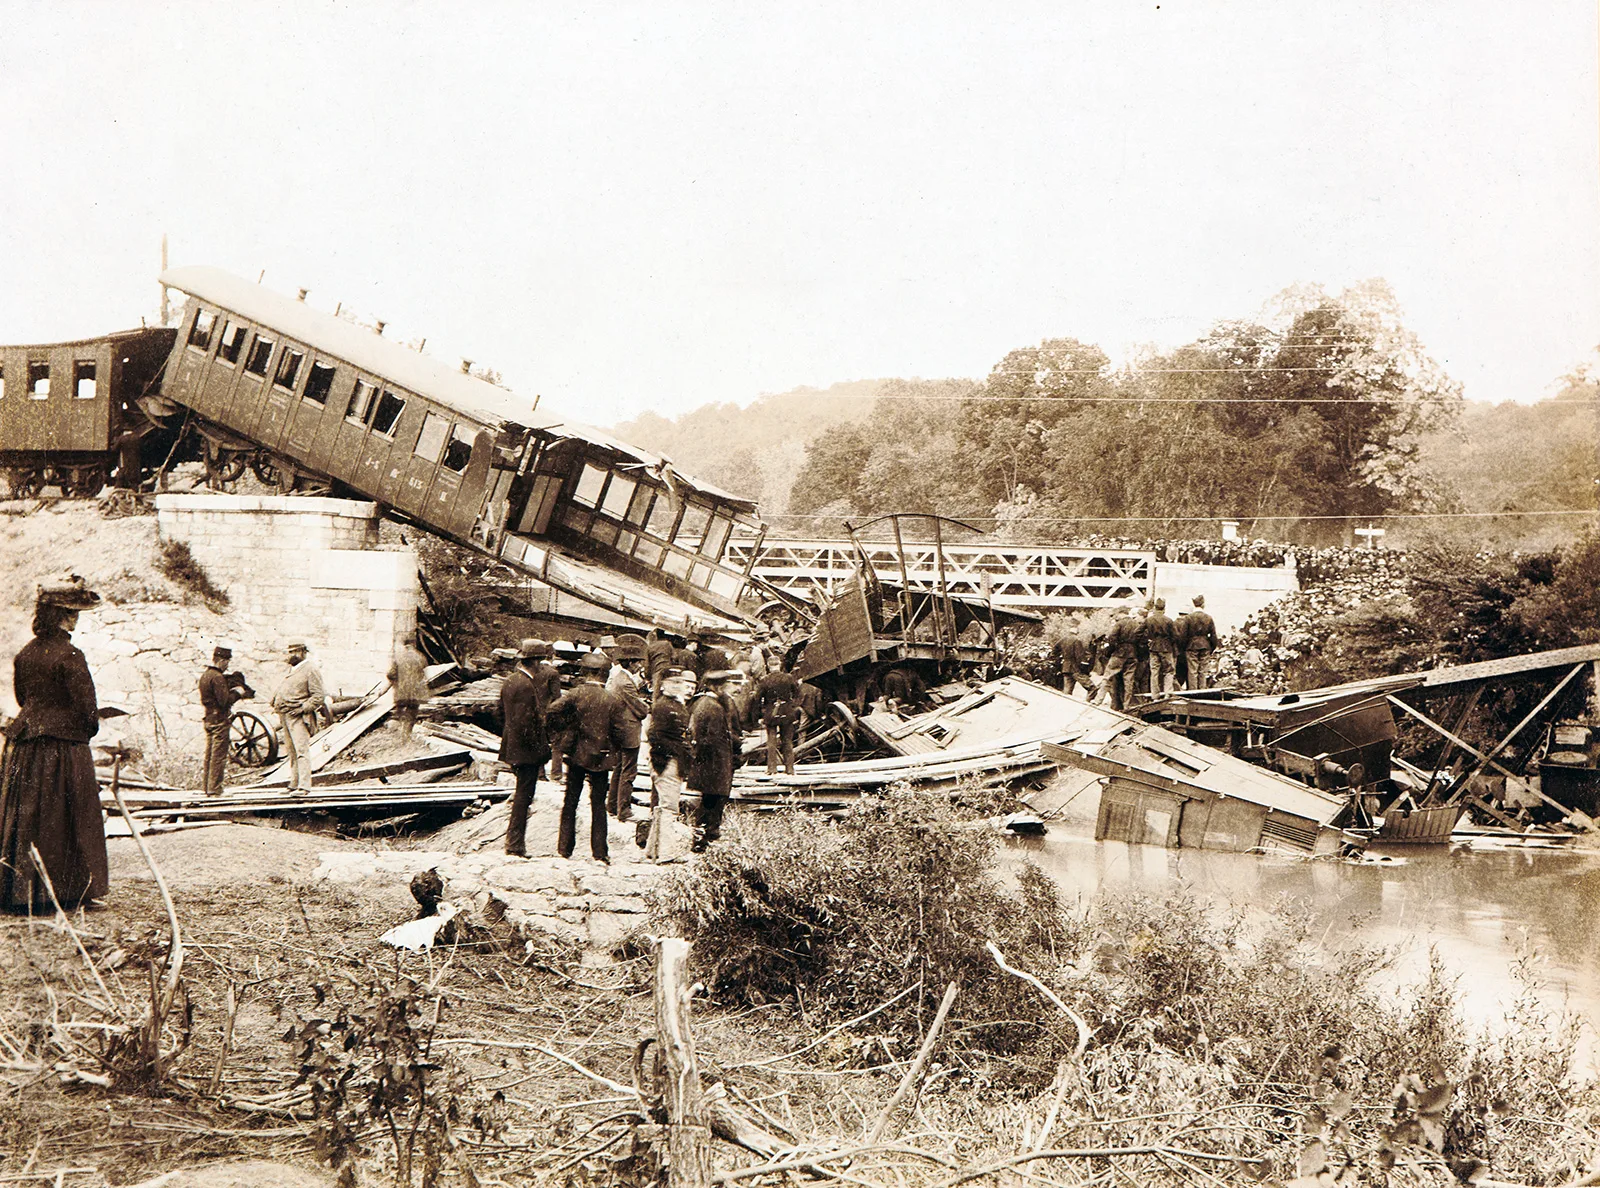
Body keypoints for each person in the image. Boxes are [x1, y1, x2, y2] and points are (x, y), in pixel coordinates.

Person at [0, 576, 107, 910]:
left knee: (25, 817)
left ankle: (17, 892)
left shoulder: (25, 655)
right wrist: (86, 731)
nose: (76, 619)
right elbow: (86, 709)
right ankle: (67, 892)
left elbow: (22, 700)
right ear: (65, 616)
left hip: (26, 746)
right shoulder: (71, 655)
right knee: (66, 817)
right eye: (73, 614)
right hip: (63, 749)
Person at [545, 652, 630, 864]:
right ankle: (600, 852)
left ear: (586, 673)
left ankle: (564, 849)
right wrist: (612, 749)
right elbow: (621, 731)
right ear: (604, 674)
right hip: (601, 758)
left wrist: (563, 737)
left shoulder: (575, 694)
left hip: (576, 756)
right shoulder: (612, 699)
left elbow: (552, 712)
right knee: (598, 805)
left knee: (570, 802)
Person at [498, 639, 554, 857]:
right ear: (536, 661)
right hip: (526, 752)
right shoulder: (525, 686)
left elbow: (500, 714)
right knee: (523, 797)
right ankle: (515, 845)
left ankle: (514, 843)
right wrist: (541, 750)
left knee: (521, 796)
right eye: (540, 661)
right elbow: (526, 724)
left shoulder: (510, 681)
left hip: (514, 747)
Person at [645, 666, 695, 860]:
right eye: (672, 683)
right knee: (669, 808)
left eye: (679, 682)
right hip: (667, 761)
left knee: (663, 807)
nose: (677, 686)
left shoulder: (675, 704)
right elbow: (654, 735)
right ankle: (666, 853)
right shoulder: (664, 706)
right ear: (663, 686)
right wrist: (675, 751)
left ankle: (652, 849)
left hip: (671, 760)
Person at [687, 670, 739, 852]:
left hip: (708, 763)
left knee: (708, 801)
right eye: (725, 687)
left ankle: (703, 839)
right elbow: (714, 739)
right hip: (716, 763)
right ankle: (706, 839)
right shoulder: (714, 708)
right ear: (718, 687)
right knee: (714, 802)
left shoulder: (703, 704)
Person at [272, 637, 328, 794]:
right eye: (290, 652)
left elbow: (318, 696)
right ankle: (293, 784)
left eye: (295, 652)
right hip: (286, 715)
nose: (292, 655)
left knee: (302, 750)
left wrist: (303, 708)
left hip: (299, 717)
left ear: (303, 652)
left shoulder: (311, 669)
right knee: (291, 751)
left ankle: (304, 786)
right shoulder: (293, 669)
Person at [605, 636, 650, 821]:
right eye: (638, 662)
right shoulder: (624, 682)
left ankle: (613, 805)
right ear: (630, 662)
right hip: (628, 731)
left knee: (619, 769)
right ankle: (624, 810)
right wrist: (646, 706)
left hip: (620, 729)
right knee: (629, 771)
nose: (640, 666)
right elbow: (641, 710)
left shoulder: (621, 678)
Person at [199, 644, 249, 795]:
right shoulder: (218, 677)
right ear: (221, 661)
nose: (227, 665)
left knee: (209, 755)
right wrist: (238, 693)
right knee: (218, 756)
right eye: (227, 662)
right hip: (220, 720)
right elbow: (225, 701)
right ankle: (215, 790)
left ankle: (207, 788)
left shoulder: (205, 675)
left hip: (208, 718)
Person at [755, 664, 802, 775]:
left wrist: (760, 713)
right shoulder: (788, 677)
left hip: (771, 712)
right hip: (786, 711)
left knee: (771, 741)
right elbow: (797, 693)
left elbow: (757, 698)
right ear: (779, 665)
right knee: (787, 741)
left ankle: (772, 769)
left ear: (768, 666)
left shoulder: (764, 680)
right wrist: (792, 706)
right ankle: (790, 769)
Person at [386, 635, 428, 741]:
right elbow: (424, 673)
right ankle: (406, 734)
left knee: (400, 712)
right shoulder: (421, 657)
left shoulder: (399, 658)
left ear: (405, 646)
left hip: (401, 692)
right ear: (414, 645)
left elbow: (390, 674)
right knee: (412, 713)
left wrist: (396, 680)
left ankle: (399, 733)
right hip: (416, 693)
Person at [1181, 595, 1219, 690]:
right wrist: (1211, 647)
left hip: (1191, 646)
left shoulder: (1188, 618)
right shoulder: (1208, 618)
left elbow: (1183, 635)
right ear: (1203, 604)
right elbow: (1214, 636)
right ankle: (1202, 690)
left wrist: (1185, 647)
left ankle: (1193, 691)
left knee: (1192, 670)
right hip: (1205, 646)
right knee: (1203, 670)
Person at [1144, 598, 1179, 696]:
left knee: (1154, 671)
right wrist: (1168, 641)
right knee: (1169, 671)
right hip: (1167, 648)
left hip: (1153, 647)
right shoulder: (1169, 620)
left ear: (1155, 608)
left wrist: (1148, 639)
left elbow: (1138, 632)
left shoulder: (1149, 620)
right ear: (1164, 608)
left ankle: (1155, 695)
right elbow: (1175, 636)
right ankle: (1168, 693)